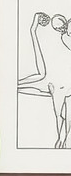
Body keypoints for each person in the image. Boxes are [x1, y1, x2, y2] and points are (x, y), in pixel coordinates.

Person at [18, 11, 71, 148]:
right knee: (61, 116)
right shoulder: (61, 40)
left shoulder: (64, 41)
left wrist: (34, 27)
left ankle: (62, 143)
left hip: (61, 84)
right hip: (57, 83)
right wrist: (33, 28)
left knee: (63, 117)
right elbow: (41, 73)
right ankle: (61, 142)